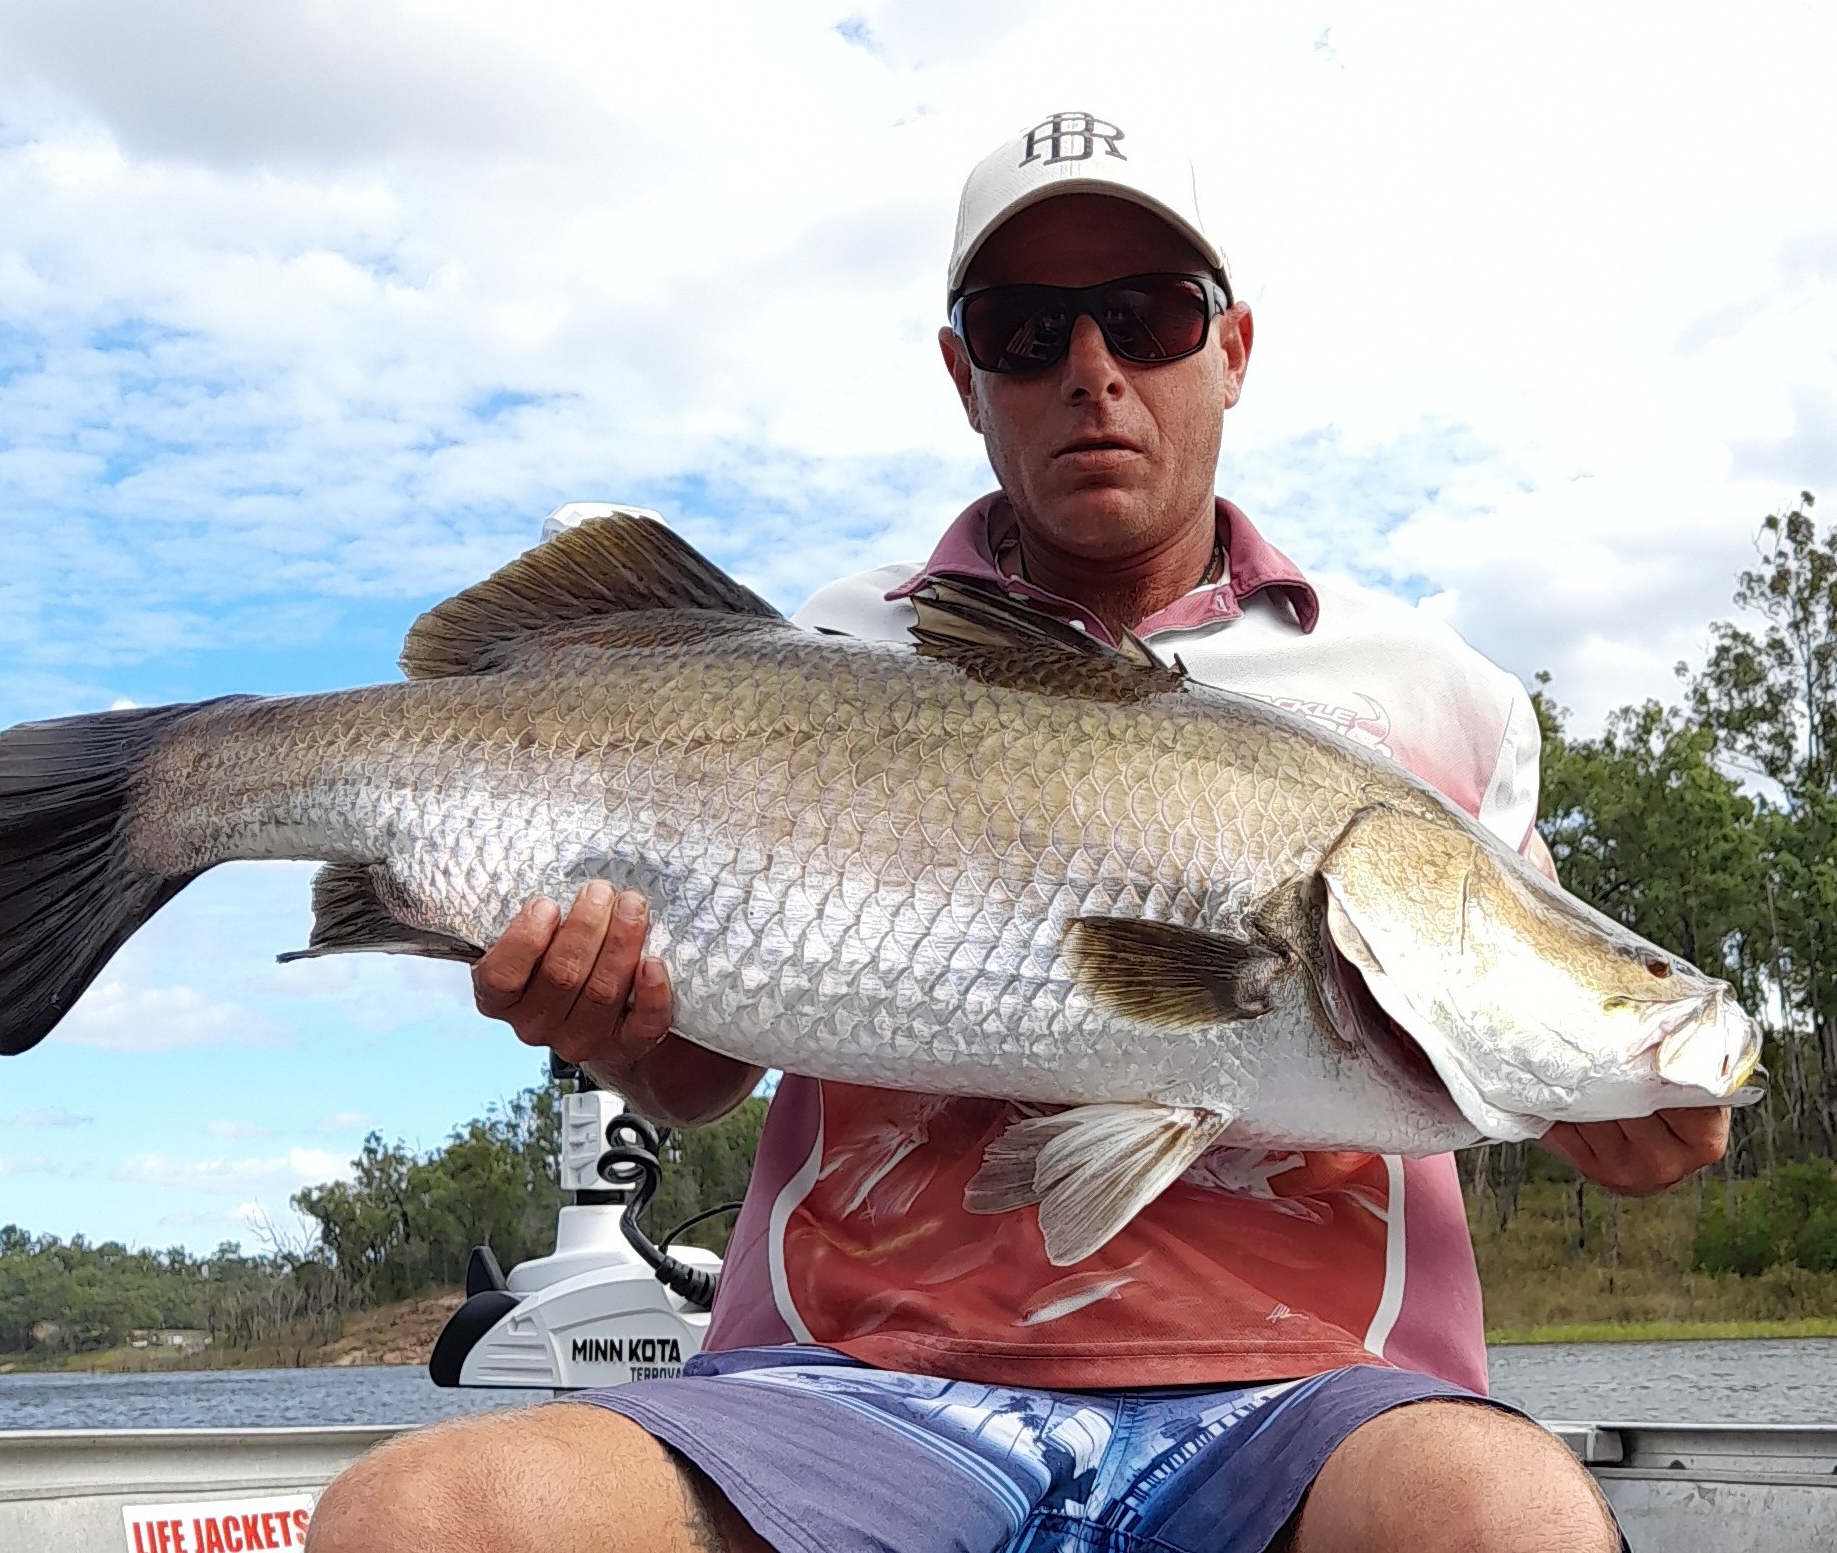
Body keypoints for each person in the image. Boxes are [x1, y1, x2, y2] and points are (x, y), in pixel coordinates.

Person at [309, 112, 1727, 1553]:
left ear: (1233, 348)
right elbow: (692, 1074)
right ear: (961, 372)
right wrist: (612, 1025)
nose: (1092, 372)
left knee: (1505, 1519)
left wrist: (1621, 1097)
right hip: (853, 1392)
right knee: (425, 1516)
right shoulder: (830, 646)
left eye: (1147, 315)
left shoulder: (1439, 696)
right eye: (1026, 327)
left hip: (1321, 1407)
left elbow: (1518, 970)